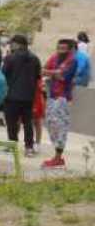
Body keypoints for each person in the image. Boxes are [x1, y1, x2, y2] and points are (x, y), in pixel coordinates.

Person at [2, 34, 42, 157]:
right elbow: (37, 76)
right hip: (28, 96)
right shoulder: (35, 58)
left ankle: (12, 145)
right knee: (28, 123)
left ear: (17, 44)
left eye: (12, 43)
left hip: (12, 95)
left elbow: (4, 75)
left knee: (12, 122)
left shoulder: (10, 58)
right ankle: (28, 147)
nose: (10, 45)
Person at [41, 39, 77, 169]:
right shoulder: (54, 57)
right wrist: (54, 73)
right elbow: (44, 69)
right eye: (59, 48)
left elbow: (63, 76)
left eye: (64, 48)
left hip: (63, 98)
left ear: (70, 49)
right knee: (50, 123)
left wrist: (52, 73)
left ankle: (58, 157)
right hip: (51, 96)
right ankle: (57, 155)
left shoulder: (72, 61)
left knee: (60, 125)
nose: (61, 50)